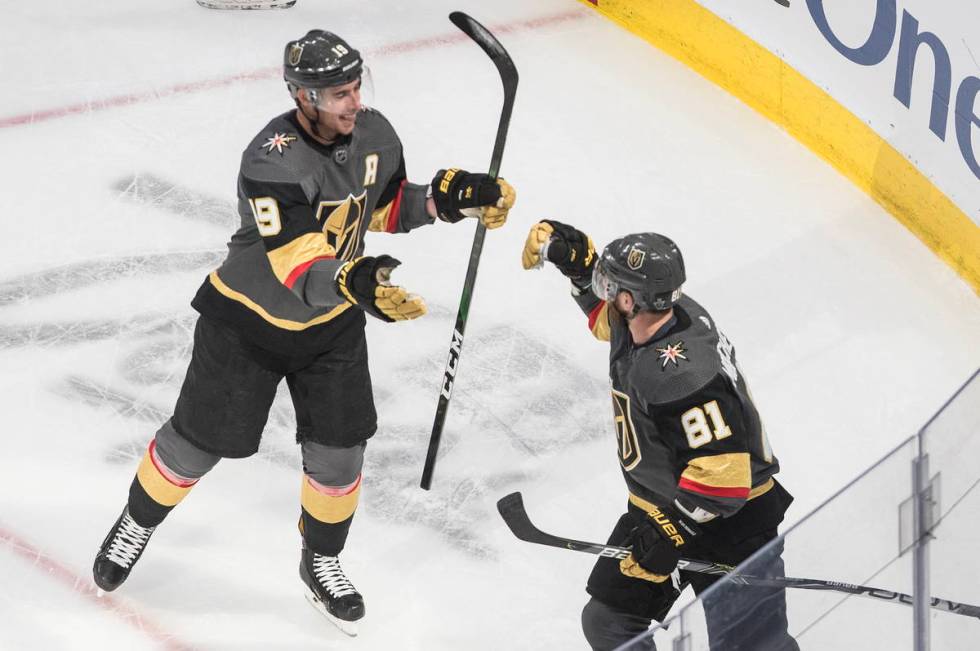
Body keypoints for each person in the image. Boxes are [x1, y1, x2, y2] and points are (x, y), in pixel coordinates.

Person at [92, 29, 515, 637]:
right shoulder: (271, 159)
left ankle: (322, 559)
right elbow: (298, 269)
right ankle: (137, 522)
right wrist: (358, 285)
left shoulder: (374, 132)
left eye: (354, 87)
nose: (352, 102)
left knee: (341, 453)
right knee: (196, 446)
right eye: (338, 93)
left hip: (331, 326)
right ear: (302, 96)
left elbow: (384, 206)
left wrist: (451, 201)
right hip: (248, 324)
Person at [521, 222, 797, 650]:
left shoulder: (682, 376)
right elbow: (606, 320)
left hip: (733, 525)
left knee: (756, 647)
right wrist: (579, 270)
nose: (605, 293)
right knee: (610, 623)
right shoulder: (657, 316)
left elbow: (724, 479)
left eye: (610, 286)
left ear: (631, 300)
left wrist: (669, 534)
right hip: (663, 505)